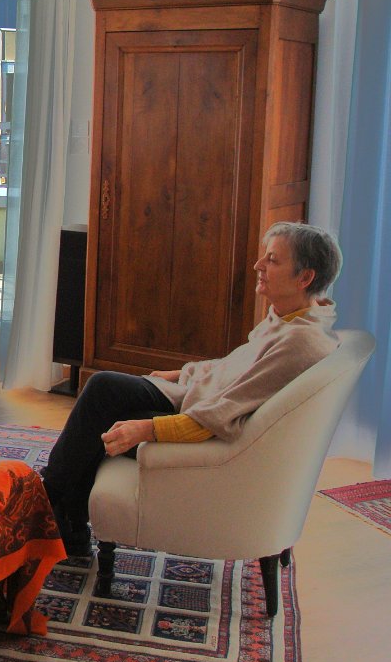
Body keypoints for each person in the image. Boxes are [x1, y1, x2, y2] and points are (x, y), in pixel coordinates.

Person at [43, 221, 343, 557]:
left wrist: (145, 429)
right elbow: (232, 368)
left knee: (104, 410)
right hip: (193, 399)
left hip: (204, 427)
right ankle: (63, 517)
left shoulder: (298, 343)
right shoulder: (291, 318)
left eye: (272, 260)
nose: (258, 265)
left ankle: (49, 507)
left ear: (305, 278)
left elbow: (220, 415)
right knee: (105, 388)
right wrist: (180, 373)